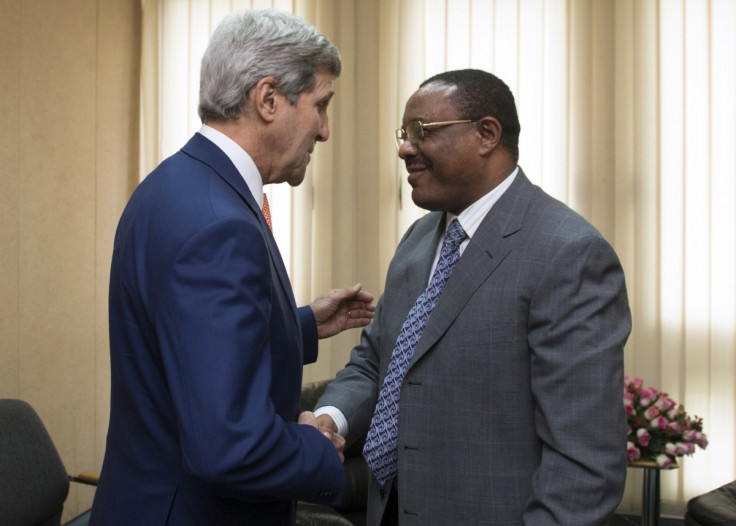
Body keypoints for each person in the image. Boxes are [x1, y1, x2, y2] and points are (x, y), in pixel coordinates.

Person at [90, 9, 375, 526]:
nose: (326, 131)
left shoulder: (175, 185)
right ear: (268, 100)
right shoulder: (220, 226)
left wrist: (303, 321)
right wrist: (317, 450)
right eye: (321, 105)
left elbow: (186, 337)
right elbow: (230, 446)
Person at [315, 69, 631, 525]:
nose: (405, 149)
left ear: (486, 134)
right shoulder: (419, 239)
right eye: (404, 134)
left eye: (422, 131)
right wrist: (331, 417)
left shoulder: (568, 254)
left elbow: (584, 466)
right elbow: (375, 364)